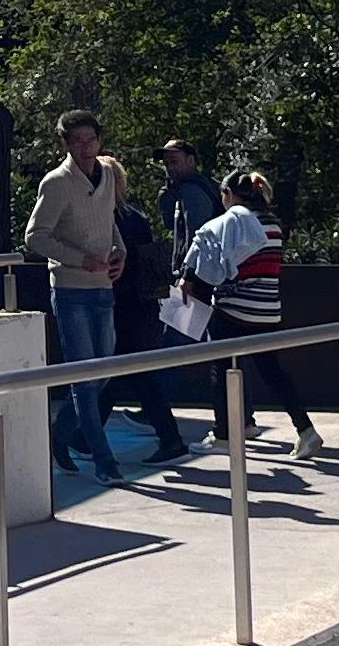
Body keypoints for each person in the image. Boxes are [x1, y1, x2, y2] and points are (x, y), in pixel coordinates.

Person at [180, 170, 323, 457]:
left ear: (229, 195)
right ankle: (304, 429)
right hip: (268, 310)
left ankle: (224, 434)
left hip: (235, 310)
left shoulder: (237, 224)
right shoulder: (273, 225)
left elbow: (228, 269)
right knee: (272, 372)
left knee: (221, 370)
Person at [20, 110, 128, 482]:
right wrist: (80, 260)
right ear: (65, 144)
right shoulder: (56, 183)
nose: (85, 148)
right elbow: (35, 237)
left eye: (91, 140)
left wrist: (120, 253)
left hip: (104, 288)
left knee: (103, 372)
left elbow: (109, 221)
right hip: (70, 290)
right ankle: (104, 460)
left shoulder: (109, 174)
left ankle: (58, 434)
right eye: (77, 141)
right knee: (85, 376)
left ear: (99, 141)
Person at [102, 147, 198, 466]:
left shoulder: (108, 219)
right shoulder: (136, 217)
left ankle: (170, 439)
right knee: (119, 372)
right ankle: (80, 438)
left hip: (120, 303)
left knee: (128, 373)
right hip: (143, 303)